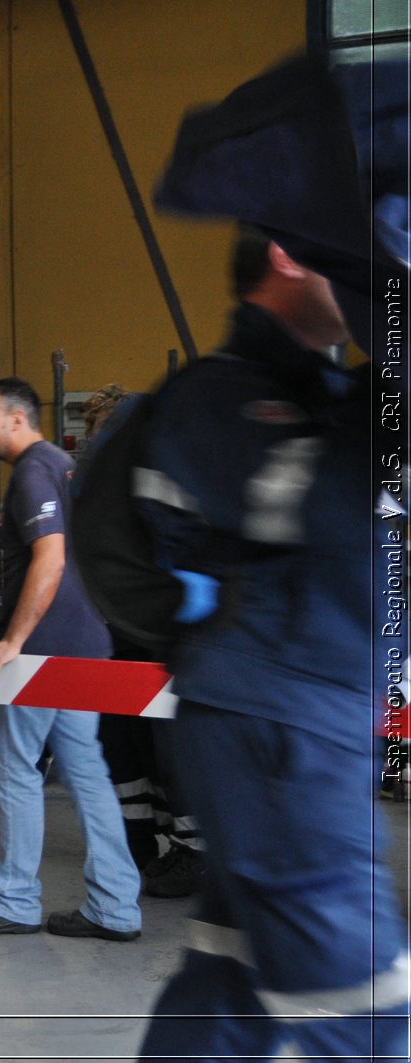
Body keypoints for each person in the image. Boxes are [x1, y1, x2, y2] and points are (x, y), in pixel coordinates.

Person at [135, 227, 409, 1058]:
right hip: (280, 718)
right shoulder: (226, 396)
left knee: (226, 986)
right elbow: (315, 520)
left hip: (294, 715)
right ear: (292, 255)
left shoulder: (330, 393)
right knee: (365, 1012)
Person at [0, 377, 141, 940]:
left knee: (14, 767)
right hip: (85, 642)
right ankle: (116, 907)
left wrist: (13, 642)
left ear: (15, 417)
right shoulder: (60, 463)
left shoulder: (32, 471)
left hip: (48, 649)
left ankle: (13, 900)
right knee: (87, 774)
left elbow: (49, 561)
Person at [81, 385, 205, 897]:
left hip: (161, 637)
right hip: (118, 639)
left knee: (170, 751)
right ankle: (137, 840)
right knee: (121, 746)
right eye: (96, 437)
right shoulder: (100, 495)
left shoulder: (170, 483)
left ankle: (195, 852)